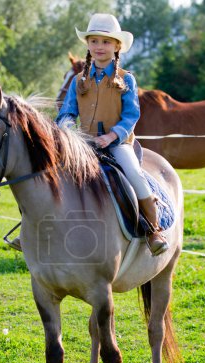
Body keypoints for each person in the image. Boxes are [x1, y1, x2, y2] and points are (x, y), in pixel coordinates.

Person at [56, 13, 169, 256]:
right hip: (84, 143)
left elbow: (131, 116)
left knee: (134, 173)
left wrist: (111, 136)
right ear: (87, 45)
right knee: (51, 173)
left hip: (117, 143)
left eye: (106, 42)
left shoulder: (126, 79)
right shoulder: (79, 80)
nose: (99, 47)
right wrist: (68, 131)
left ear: (117, 46)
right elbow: (67, 112)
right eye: (94, 41)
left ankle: (153, 229)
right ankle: (33, 228)